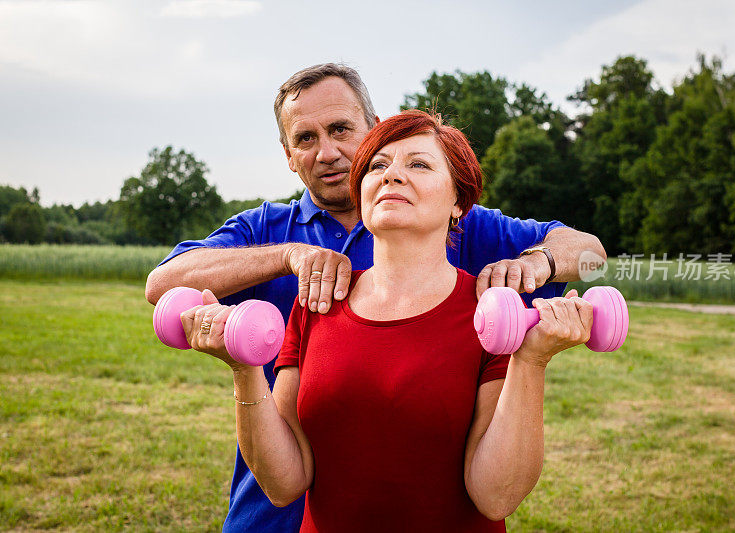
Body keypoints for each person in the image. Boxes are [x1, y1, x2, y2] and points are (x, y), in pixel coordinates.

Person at [144, 64, 606, 532]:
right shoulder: (265, 231)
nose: (326, 152)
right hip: (271, 508)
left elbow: (592, 256)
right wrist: (288, 257)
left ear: (372, 127)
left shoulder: (452, 222)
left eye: (341, 129)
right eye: (305, 139)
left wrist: (537, 263)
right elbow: (162, 287)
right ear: (288, 154)